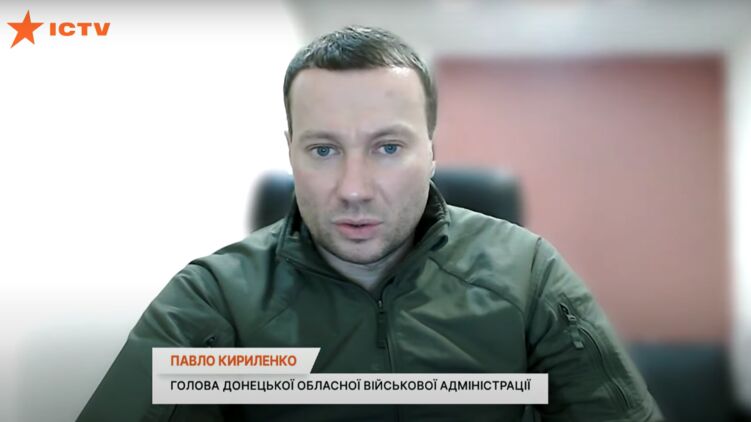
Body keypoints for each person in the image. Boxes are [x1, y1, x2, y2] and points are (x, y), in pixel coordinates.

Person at [78, 26, 663, 421]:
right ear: (291, 153)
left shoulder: (526, 274)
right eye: (324, 150)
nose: (354, 189)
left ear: (431, 152)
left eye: (387, 148)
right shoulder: (216, 300)